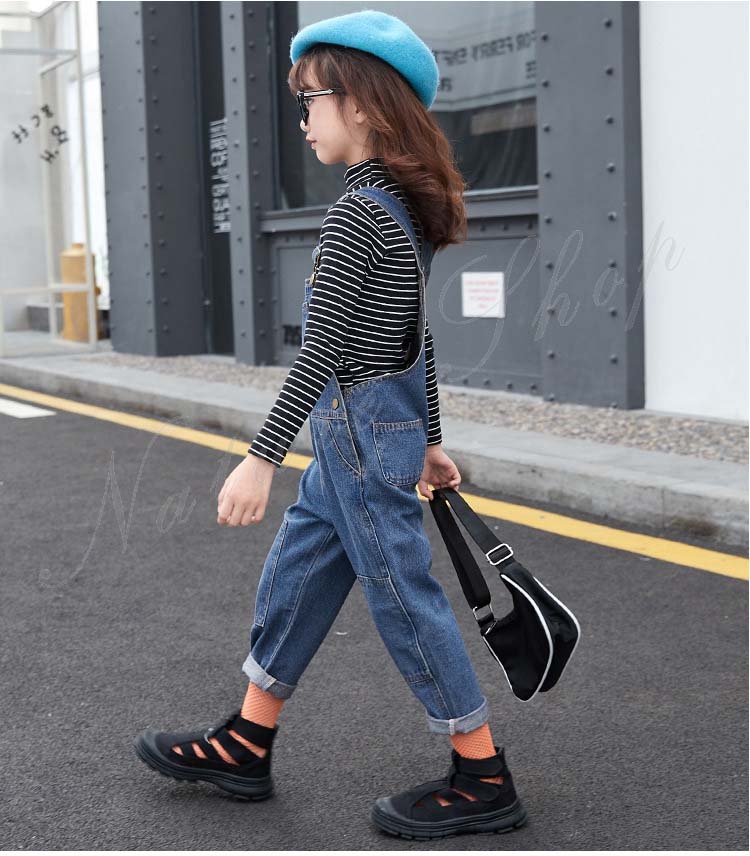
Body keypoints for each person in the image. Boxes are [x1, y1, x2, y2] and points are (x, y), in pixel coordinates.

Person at [134, 9, 527, 841]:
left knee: (404, 599)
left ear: (365, 104)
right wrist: (428, 437)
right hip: (367, 435)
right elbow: (417, 337)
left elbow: (321, 350)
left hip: (357, 436)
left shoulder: (359, 213)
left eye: (310, 99)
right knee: (299, 576)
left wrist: (259, 457)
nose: (303, 118)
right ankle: (247, 741)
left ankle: (483, 772)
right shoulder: (397, 207)